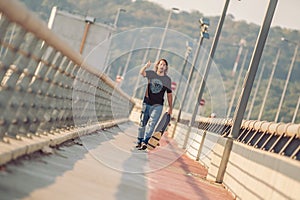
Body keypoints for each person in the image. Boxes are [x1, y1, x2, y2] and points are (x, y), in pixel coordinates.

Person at [136, 58, 173, 150]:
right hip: (147, 102)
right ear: (157, 65)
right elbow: (142, 73)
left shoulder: (167, 80)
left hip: (158, 105)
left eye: (164, 65)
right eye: (161, 64)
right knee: (142, 123)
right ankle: (140, 141)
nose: (162, 66)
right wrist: (145, 66)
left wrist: (170, 107)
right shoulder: (151, 74)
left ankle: (145, 142)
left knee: (152, 124)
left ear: (166, 68)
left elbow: (169, 94)